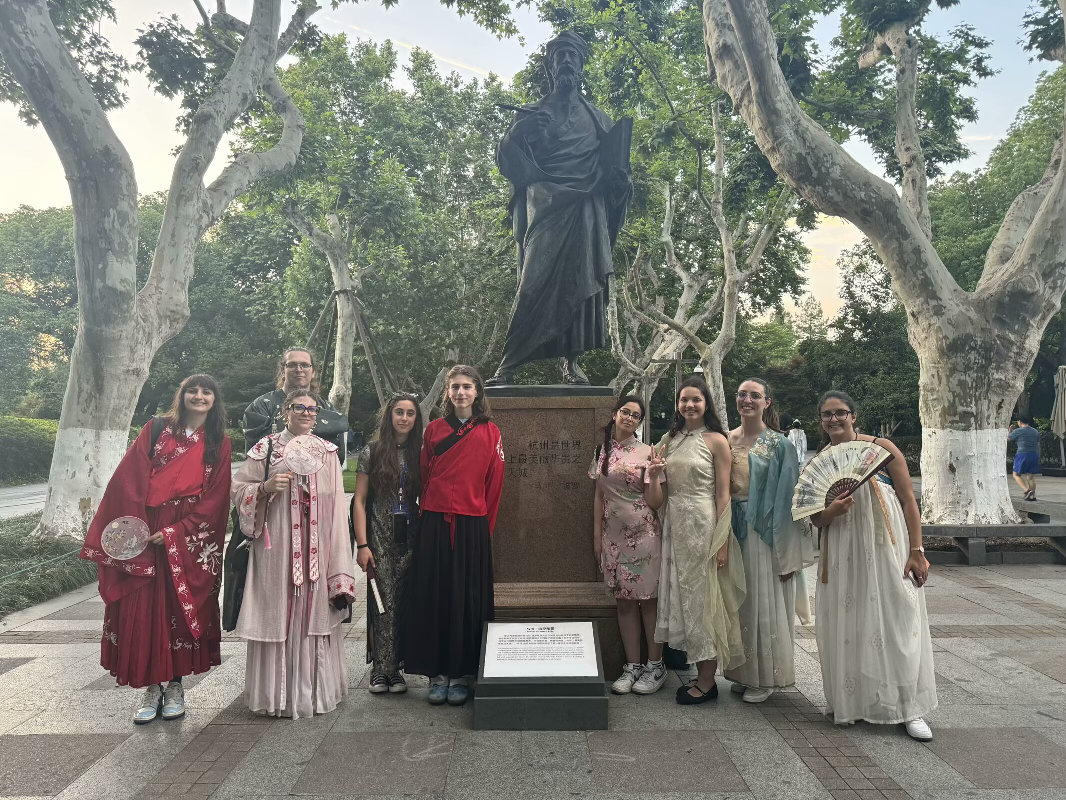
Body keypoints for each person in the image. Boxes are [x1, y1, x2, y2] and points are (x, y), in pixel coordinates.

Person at [80, 374, 232, 724]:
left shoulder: (218, 442)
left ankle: (175, 686)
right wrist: (136, 528)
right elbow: (128, 479)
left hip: (186, 533)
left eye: (206, 391)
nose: (199, 395)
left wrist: (178, 531)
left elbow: (216, 496)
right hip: (146, 529)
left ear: (214, 400)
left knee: (178, 607)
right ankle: (152, 687)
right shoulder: (157, 429)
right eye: (192, 390)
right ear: (182, 395)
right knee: (145, 608)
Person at [486, 31, 632, 386]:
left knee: (580, 280)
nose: (566, 62)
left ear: (581, 65)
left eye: (572, 56)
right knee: (532, 283)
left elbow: (616, 172)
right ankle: (509, 362)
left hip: (586, 207)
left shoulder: (598, 119)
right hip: (544, 204)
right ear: (550, 66)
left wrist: (620, 184)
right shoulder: (530, 113)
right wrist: (516, 134)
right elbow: (506, 162)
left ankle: (571, 361)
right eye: (560, 56)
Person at [807, 390, 937, 741]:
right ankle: (852, 703)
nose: (834, 419)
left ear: (853, 415)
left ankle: (910, 708)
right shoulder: (822, 459)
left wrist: (917, 550)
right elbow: (815, 518)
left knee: (898, 618)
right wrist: (831, 511)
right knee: (849, 620)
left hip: (885, 545)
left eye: (841, 412)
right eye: (827, 415)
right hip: (842, 549)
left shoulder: (882, 448)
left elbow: (908, 501)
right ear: (821, 421)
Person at [232, 389, 356, 719]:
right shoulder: (266, 448)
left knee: (313, 612)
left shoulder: (328, 452)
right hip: (277, 549)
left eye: (312, 409)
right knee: (278, 612)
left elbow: (337, 506)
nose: (306, 413)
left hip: (317, 547)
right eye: (299, 407)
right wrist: (264, 488)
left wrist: (339, 559)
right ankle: (276, 695)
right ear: (285, 411)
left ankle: (313, 693)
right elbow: (238, 489)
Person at [404, 365, 505, 706]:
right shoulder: (433, 429)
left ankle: (461, 673)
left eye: (467, 386)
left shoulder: (491, 431)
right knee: (434, 594)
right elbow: (423, 474)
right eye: (455, 387)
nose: (461, 392)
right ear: (448, 392)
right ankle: (437, 673)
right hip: (434, 520)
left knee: (467, 597)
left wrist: (485, 529)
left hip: (472, 523)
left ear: (477, 392)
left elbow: (495, 482)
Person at [645, 376, 746, 705]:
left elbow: (723, 494)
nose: (689, 405)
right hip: (674, 528)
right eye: (684, 399)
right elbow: (657, 498)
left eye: (696, 399)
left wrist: (722, 540)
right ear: (677, 404)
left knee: (704, 602)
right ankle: (698, 671)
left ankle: (707, 681)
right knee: (684, 601)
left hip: (704, 527)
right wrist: (653, 475)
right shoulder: (669, 440)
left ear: (706, 404)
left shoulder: (716, 440)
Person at [724, 379, 813, 703]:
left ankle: (765, 677)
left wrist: (788, 554)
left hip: (764, 531)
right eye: (742, 394)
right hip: (729, 526)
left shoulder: (779, 444)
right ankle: (742, 671)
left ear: (767, 402)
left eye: (754, 395)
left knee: (763, 599)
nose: (747, 400)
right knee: (738, 601)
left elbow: (790, 500)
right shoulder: (726, 438)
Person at [589, 394, 665, 695]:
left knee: (648, 600)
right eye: (625, 411)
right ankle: (632, 666)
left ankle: (655, 665)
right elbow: (599, 495)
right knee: (623, 600)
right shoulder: (602, 450)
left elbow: (656, 502)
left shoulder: (648, 452)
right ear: (614, 414)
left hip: (644, 535)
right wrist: (597, 536)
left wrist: (655, 476)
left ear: (640, 422)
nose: (630, 418)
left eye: (636, 415)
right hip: (613, 536)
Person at [352, 393, 422, 695]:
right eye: (399, 412)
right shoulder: (373, 451)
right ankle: (381, 669)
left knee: (405, 601)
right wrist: (362, 545)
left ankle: (398, 668)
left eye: (410, 413)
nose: (404, 418)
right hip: (379, 534)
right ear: (389, 416)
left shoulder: (421, 452)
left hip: (411, 534)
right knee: (382, 600)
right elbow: (359, 500)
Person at [242, 347, 348, 457]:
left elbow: (337, 455)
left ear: (313, 372)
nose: (298, 369)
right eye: (292, 365)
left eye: (305, 365)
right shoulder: (261, 406)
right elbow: (258, 452)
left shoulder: (327, 408)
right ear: (282, 371)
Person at [1009, 416, 1041, 501]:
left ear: (1020, 421)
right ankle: (1032, 496)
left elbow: (1008, 439)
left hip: (1022, 454)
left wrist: (1010, 430)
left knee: (1016, 474)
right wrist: (1038, 455)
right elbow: (1038, 444)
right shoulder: (1035, 431)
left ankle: (1026, 490)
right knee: (1030, 477)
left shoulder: (1018, 431)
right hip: (1034, 454)